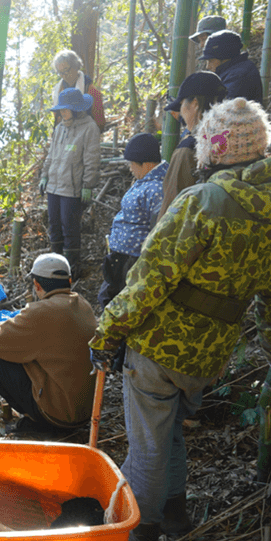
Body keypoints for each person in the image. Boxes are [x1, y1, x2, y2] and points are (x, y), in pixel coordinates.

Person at [90, 98, 271, 541]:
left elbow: (149, 279)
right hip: (209, 353)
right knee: (171, 435)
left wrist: (107, 331)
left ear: (216, 149)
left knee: (147, 445)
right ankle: (174, 511)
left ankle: (138, 537)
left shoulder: (204, 200)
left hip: (158, 344)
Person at [0, 253, 98, 434]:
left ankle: (37, 421)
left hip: (59, 417)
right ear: (69, 281)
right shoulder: (83, 305)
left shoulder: (42, 312)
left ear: (37, 285)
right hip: (87, 412)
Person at [98, 133, 168, 371]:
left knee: (122, 306)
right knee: (108, 298)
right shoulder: (144, 183)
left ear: (145, 163)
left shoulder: (157, 188)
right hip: (121, 256)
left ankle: (121, 355)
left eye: (131, 164)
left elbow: (156, 228)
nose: (129, 169)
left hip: (134, 259)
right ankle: (112, 350)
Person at [40, 87, 101, 272]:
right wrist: (44, 176)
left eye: (65, 109)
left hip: (72, 189)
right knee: (55, 226)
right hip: (54, 187)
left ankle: (71, 268)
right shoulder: (59, 128)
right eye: (61, 109)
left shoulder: (90, 128)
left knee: (70, 228)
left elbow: (92, 159)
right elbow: (51, 155)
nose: (62, 112)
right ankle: (55, 267)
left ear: (76, 108)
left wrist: (88, 185)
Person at [159, 71, 228, 218]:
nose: (181, 113)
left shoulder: (189, 147)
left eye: (182, 105)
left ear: (195, 104)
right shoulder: (234, 138)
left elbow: (172, 206)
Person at [200, 30, 263, 105]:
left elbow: (221, 108)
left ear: (224, 57)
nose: (208, 66)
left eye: (211, 60)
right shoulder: (235, 71)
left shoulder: (239, 76)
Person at [51, 50, 106, 132]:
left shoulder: (91, 91)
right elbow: (57, 120)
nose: (64, 75)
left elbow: (100, 123)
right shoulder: (58, 91)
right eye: (60, 72)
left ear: (75, 66)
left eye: (66, 70)